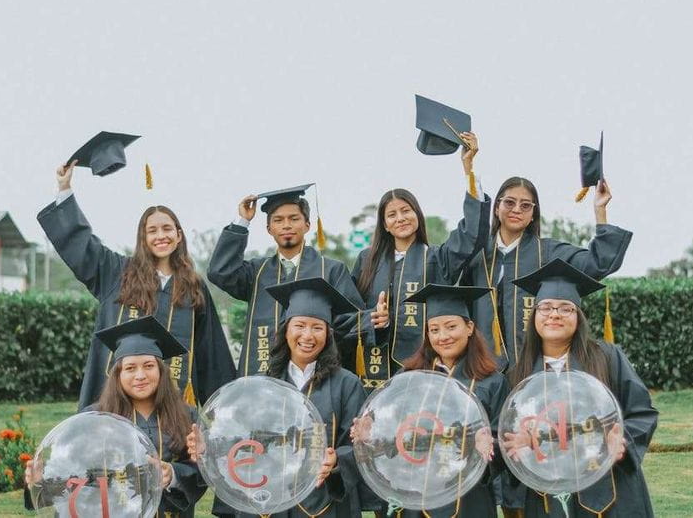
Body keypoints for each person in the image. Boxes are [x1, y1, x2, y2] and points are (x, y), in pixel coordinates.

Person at [39, 152, 235, 410]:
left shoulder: (193, 287)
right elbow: (83, 246)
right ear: (142, 238)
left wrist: (227, 410)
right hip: (118, 402)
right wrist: (64, 190)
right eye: (151, 230)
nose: (160, 236)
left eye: (167, 229)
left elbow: (211, 353)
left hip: (173, 406)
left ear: (179, 236)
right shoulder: (117, 272)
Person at [188, 277, 367, 517]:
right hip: (269, 502)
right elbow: (240, 441)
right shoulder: (261, 386)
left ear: (328, 334)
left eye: (317, 327)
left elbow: (359, 448)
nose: (308, 336)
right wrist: (207, 446)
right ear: (285, 330)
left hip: (323, 505)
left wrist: (336, 462)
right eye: (300, 325)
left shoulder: (347, 385)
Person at [500, 259, 658, 517]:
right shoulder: (520, 374)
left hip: (610, 487)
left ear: (578, 317)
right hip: (547, 490)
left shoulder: (607, 357)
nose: (554, 315)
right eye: (546, 308)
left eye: (566, 309)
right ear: (534, 316)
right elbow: (514, 434)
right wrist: (519, 442)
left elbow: (642, 412)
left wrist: (623, 441)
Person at [26, 316, 207, 517]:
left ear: (161, 371)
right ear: (117, 374)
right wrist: (41, 482)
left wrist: (173, 473)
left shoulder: (186, 414)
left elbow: (201, 475)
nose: (140, 375)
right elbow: (76, 476)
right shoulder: (93, 419)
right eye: (130, 368)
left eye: (148, 366)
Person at [354, 284, 509, 517]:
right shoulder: (407, 379)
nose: (443, 336)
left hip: (469, 500)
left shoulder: (492, 381)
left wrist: (489, 445)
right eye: (434, 330)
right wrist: (370, 436)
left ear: (469, 327)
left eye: (451, 327)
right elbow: (391, 435)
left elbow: (503, 443)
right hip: (413, 495)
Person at [350, 131, 489, 387]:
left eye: (406, 210)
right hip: (375, 369)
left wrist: (469, 171)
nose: (400, 218)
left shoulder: (437, 257)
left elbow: (471, 236)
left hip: (428, 369)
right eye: (391, 215)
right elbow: (346, 313)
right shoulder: (367, 261)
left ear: (417, 215)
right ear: (385, 225)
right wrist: (371, 319)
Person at [464, 175, 631, 371]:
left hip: (533, 369)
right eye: (509, 202)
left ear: (533, 214)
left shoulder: (548, 253)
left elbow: (598, 263)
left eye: (526, 205)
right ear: (496, 208)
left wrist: (600, 211)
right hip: (484, 369)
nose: (517, 209)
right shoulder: (477, 255)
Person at [207, 184, 365, 377]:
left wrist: (371, 320)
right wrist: (242, 222)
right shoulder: (256, 272)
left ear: (307, 225)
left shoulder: (331, 270)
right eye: (278, 220)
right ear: (269, 229)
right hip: (262, 380)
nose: (286, 225)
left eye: (294, 218)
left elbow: (351, 322)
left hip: (314, 378)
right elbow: (220, 271)